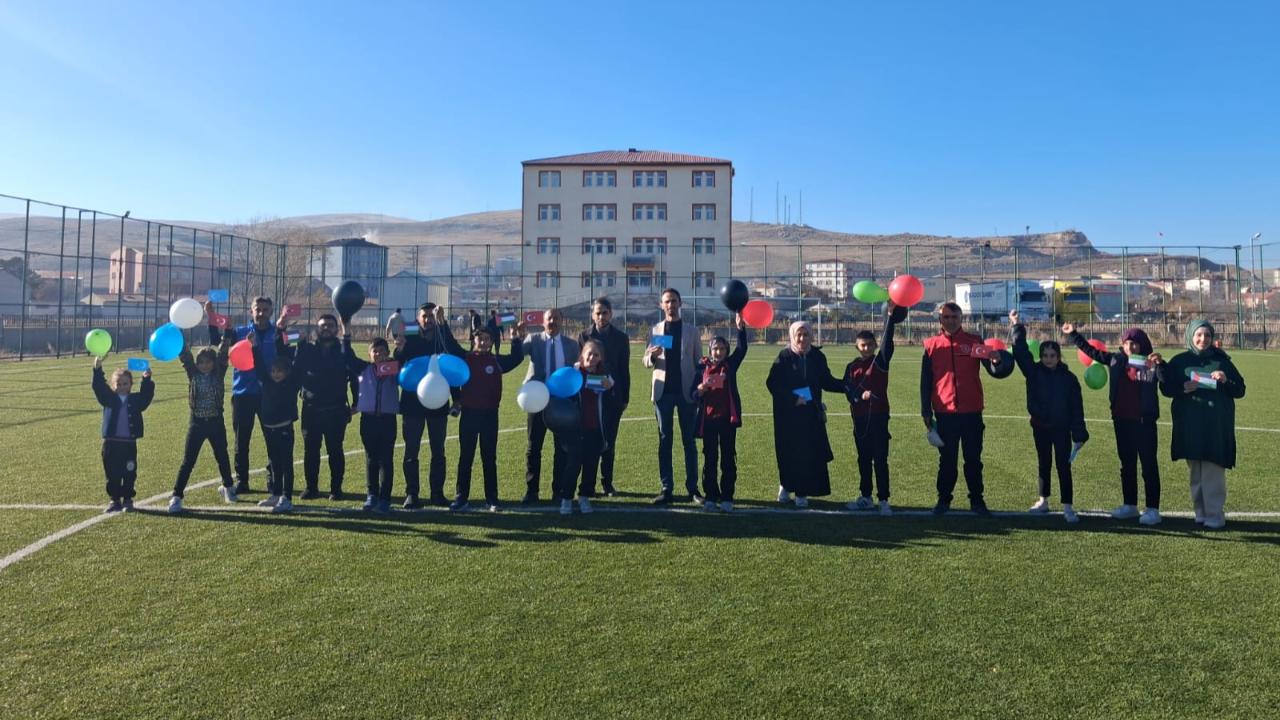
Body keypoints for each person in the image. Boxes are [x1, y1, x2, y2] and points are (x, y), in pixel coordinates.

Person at [1065, 322, 1166, 524]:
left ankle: (1153, 509)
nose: (1130, 347)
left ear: (1143, 345)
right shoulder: (1116, 360)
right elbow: (1092, 352)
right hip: (1121, 421)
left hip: (1144, 423)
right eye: (1127, 343)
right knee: (1126, 464)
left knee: (1149, 466)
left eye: (1135, 343)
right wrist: (1074, 334)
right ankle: (1130, 505)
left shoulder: (1151, 363)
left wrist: (1160, 365)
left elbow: (1166, 382)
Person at [920, 301, 1004, 516]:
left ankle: (977, 501)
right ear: (940, 319)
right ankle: (943, 500)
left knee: (973, 460)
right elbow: (925, 381)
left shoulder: (974, 342)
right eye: (946, 317)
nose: (950, 320)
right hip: (944, 413)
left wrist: (995, 360)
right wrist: (926, 411)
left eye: (954, 317)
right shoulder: (931, 345)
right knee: (947, 461)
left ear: (961, 319)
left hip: (972, 412)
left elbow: (993, 368)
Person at [1161, 320, 1246, 529]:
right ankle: (1200, 512)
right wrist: (1182, 388)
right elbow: (1166, 389)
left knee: (1212, 470)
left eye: (1207, 335)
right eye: (1199, 335)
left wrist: (1226, 380)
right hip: (1190, 426)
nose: (1203, 339)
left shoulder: (1222, 361)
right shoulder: (1179, 361)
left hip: (1215, 426)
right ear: (1190, 335)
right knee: (1196, 471)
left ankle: (1215, 514)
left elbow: (1240, 390)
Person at [1010, 310, 1089, 523]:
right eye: (1045, 355)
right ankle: (1043, 501)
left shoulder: (1069, 379)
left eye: (1052, 356)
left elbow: (1076, 408)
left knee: (1063, 466)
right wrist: (1016, 325)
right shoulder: (1033, 372)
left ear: (1058, 356)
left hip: (1062, 429)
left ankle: (1067, 507)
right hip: (1040, 427)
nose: (1048, 359)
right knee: (1043, 462)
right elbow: (1020, 351)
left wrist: (1079, 433)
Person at [765, 320, 847, 508]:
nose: (802, 338)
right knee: (787, 452)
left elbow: (826, 381)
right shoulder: (784, 356)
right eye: (798, 335)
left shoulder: (817, 356)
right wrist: (793, 399)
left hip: (810, 415)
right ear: (792, 336)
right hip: (788, 415)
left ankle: (802, 492)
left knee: (808, 453)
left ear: (811, 336)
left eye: (806, 334)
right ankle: (786, 485)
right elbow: (772, 384)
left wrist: (847, 386)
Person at [392, 302, 466, 508]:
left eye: (431, 316)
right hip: (412, 404)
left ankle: (437, 493)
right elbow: (397, 363)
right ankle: (412, 494)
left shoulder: (442, 339)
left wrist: (456, 399)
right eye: (424, 316)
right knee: (411, 451)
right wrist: (399, 349)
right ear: (418, 318)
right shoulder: (410, 338)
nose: (428, 320)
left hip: (438, 402)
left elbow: (451, 365)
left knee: (438, 451)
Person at [208, 297, 279, 495]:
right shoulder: (239, 332)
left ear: (271, 311)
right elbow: (216, 341)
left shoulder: (278, 333)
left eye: (266, 309)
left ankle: (273, 479)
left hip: (269, 395)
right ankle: (242, 481)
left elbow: (296, 347)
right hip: (242, 394)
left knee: (272, 439)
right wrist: (211, 316)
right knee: (242, 441)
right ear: (251, 311)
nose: (261, 313)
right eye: (258, 309)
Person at [284, 313, 357, 501]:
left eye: (330, 326)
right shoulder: (306, 349)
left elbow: (355, 374)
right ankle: (311, 488)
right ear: (317, 329)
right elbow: (295, 371)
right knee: (311, 452)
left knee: (335, 450)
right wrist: (296, 341)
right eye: (323, 325)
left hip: (336, 410)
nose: (326, 328)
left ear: (336, 329)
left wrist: (357, 402)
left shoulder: (343, 349)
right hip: (311, 409)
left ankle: (336, 489)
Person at [454, 323, 525, 512]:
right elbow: (450, 345)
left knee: (489, 457)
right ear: (473, 340)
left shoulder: (496, 361)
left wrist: (515, 338)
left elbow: (517, 358)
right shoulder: (465, 359)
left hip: (489, 415)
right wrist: (442, 323)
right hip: (469, 414)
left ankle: (492, 499)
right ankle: (461, 498)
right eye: (480, 338)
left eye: (487, 339)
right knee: (466, 457)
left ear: (492, 342)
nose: (483, 342)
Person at [842, 303, 903, 516]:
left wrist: (889, 316)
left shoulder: (881, 361)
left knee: (880, 459)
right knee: (863, 459)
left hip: (878, 418)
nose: (866, 348)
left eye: (869, 345)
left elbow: (887, 341)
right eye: (862, 345)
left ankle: (884, 499)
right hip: (859, 419)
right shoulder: (851, 367)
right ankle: (866, 497)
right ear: (856, 346)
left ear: (875, 345)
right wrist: (859, 396)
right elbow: (847, 390)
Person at [642, 288, 701, 505]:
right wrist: (651, 356)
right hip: (663, 393)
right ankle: (666, 488)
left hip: (686, 394)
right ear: (661, 305)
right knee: (665, 441)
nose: (671, 305)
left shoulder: (692, 331)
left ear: (680, 303)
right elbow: (646, 361)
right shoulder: (656, 329)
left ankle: (693, 488)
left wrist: (699, 389)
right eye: (667, 301)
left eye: (674, 301)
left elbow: (698, 364)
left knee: (689, 442)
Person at [169, 332, 236, 513]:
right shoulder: (193, 374)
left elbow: (223, 354)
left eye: (208, 362)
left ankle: (228, 488)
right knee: (188, 461)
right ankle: (176, 495)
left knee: (222, 456)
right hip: (197, 423)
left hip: (215, 422)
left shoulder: (218, 374)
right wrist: (180, 335)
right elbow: (186, 357)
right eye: (201, 362)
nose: (204, 365)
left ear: (213, 363)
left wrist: (226, 336)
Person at [520, 308, 580, 504]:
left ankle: (558, 491)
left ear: (562, 321)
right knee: (533, 447)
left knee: (561, 448)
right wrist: (517, 337)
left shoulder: (572, 345)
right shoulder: (533, 339)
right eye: (549, 318)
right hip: (536, 399)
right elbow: (518, 353)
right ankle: (532, 491)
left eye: (556, 318)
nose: (552, 321)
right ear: (543, 322)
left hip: (561, 401)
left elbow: (581, 368)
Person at [692, 314, 748, 511]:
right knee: (709, 459)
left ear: (726, 351)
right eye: (715, 348)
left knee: (727, 458)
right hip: (707, 421)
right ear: (710, 350)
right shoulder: (701, 368)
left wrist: (740, 329)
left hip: (727, 420)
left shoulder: (730, 366)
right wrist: (700, 389)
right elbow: (693, 394)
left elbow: (742, 350)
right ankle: (710, 496)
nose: (718, 352)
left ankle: (727, 497)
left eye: (722, 349)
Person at [578, 297, 630, 495]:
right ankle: (586, 484)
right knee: (588, 440)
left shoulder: (621, 337)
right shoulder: (583, 336)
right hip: (589, 397)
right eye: (597, 313)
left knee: (609, 441)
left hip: (611, 396)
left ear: (611, 314)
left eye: (605, 312)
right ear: (592, 315)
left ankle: (607, 483)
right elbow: (580, 364)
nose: (601, 316)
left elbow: (624, 370)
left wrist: (624, 397)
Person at [559, 339, 616, 515]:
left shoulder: (606, 377)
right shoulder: (572, 373)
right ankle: (567, 499)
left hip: (595, 429)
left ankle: (584, 496)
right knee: (573, 466)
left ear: (601, 358)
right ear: (582, 354)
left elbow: (612, 404)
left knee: (591, 466)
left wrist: (610, 389)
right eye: (589, 353)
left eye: (596, 355)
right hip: (576, 430)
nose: (592, 357)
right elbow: (562, 397)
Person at [345, 333, 400, 514]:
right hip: (368, 420)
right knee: (371, 459)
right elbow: (348, 357)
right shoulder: (364, 369)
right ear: (369, 354)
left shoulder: (393, 369)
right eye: (375, 351)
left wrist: (401, 347)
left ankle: (385, 498)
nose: (378, 355)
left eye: (382, 351)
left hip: (387, 420)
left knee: (386, 460)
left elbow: (405, 362)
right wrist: (346, 334)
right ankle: (372, 494)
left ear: (387, 353)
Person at [92, 356, 154, 513]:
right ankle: (114, 500)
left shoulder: (135, 399)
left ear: (131, 385)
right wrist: (97, 369)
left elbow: (146, 397)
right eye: (118, 384)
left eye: (125, 384)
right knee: (112, 472)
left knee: (129, 472)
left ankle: (127, 499)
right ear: (113, 385)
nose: (121, 386)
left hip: (128, 444)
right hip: (111, 443)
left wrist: (146, 379)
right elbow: (99, 387)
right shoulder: (109, 399)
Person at [249, 331, 301, 513]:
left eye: (279, 371)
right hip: (269, 429)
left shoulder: (292, 383)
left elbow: (296, 361)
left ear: (287, 372)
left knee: (286, 463)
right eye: (273, 371)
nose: (275, 374)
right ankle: (276, 494)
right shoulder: (267, 381)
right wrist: (254, 346)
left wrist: (293, 338)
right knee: (274, 463)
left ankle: (287, 497)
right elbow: (259, 367)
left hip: (284, 429)